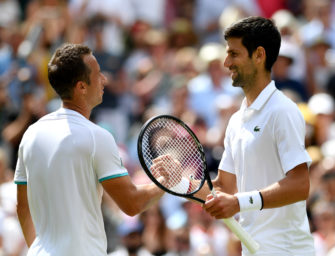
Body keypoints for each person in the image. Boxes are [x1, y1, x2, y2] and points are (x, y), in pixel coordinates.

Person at [14, 43, 165, 256]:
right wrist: (164, 183)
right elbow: (132, 204)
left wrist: (39, 250)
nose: (104, 79)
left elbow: (22, 208)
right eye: (98, 74)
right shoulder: (98, 137)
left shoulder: (31, 134)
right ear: (81, 87)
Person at [200, 17, 315, 255]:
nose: (226, 62)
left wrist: (240, 202)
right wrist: (180, 182)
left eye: (234, 54)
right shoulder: (235, 121)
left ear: (259, 55)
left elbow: (300, 184)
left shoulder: (282, 111)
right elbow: (224, 188)